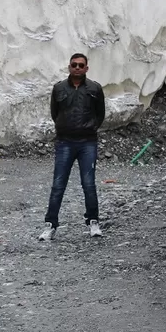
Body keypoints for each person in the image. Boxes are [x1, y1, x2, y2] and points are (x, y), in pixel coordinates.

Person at [38, 53, 106, 241]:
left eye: (81, 65)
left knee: (89, 184)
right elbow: (55, 113)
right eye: (74, 65)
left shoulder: (95, 88)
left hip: (87, 142)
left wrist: (90, 128)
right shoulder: (59, 88)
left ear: (86, 68)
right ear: (69, 67)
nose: (77, 68)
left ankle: (93, 222)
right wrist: (64, 127)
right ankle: (50, 225)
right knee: (58, 185)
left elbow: (100, 114)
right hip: (65, 141)